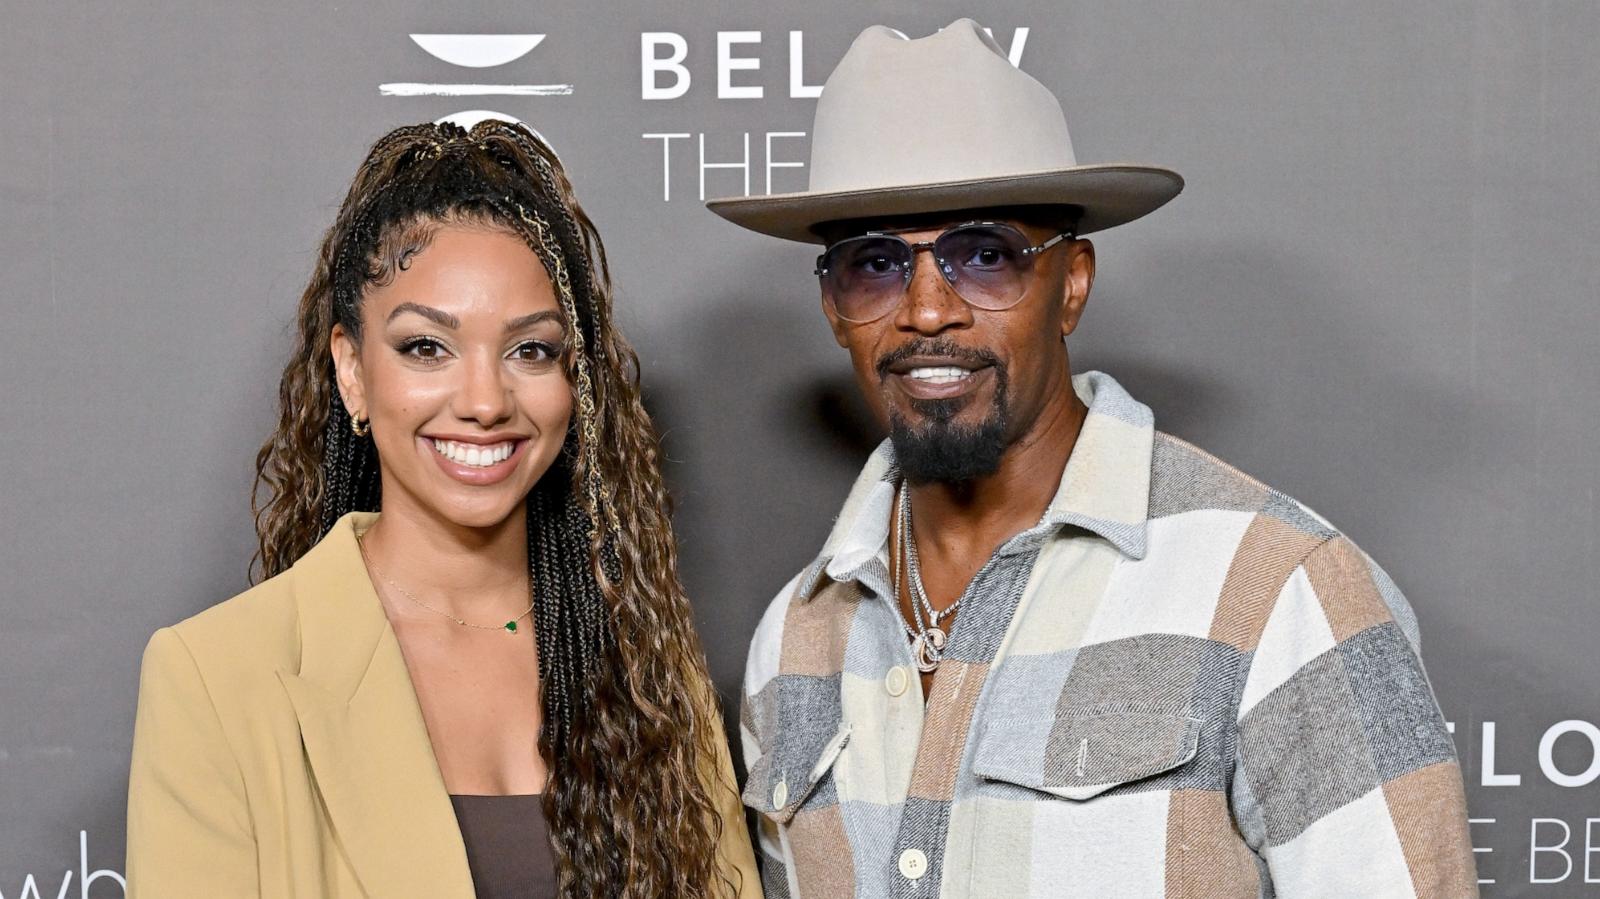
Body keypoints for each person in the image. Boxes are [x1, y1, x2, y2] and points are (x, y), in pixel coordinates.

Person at [708, 19, 1477, 899]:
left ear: (1071, 282)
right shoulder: (794, 639)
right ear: (833, 308)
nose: (926, 311)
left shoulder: (1277, 592)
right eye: (874, 264)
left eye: (984, 255)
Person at [126, 120, 759, 898]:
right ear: (352, 372)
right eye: (427, 346)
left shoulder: (655, 680)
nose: (485, 402)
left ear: (577, 384)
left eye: (531, 350)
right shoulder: (216, 679)